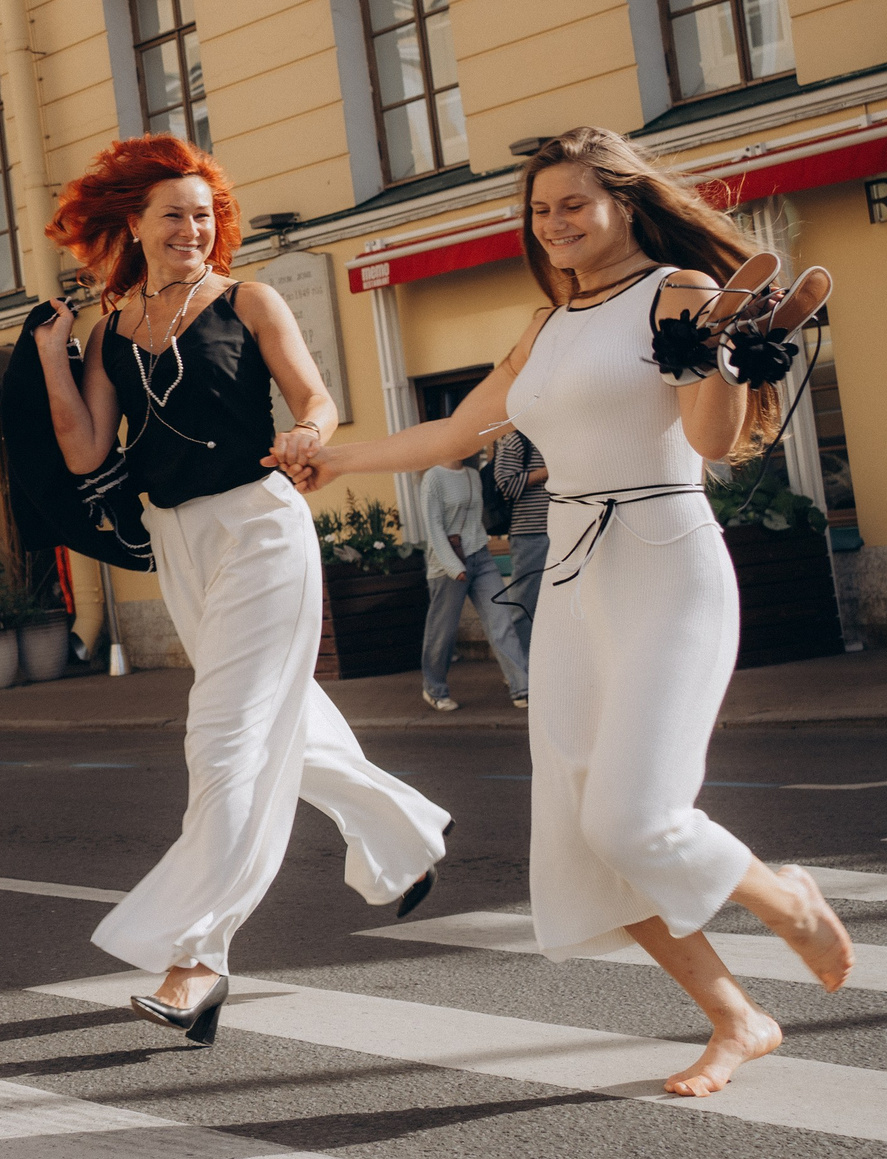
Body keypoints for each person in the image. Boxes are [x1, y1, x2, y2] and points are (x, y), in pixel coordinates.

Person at [273, 125, 852, 1097]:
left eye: (572, 205)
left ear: (624, 201)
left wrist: (717, 362)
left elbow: (708, 441)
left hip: (665, 565)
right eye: (540, 212)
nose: (553, 225)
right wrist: (335, 461)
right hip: (574, 580)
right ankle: (736, 1018)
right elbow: (461, 430)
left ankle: (786, 901)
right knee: (586, 839)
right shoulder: (546, 327)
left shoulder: (677, 292)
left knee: (636, 818)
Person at [32, 134, 452, 1047]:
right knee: (279, 721)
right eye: (173, 214)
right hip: (180, 538)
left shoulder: (248, 300)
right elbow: (83, 450)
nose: (194, 227)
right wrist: (55, 361)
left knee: (223, 737)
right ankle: (406, 839)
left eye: (205, 212)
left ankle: (197, 958)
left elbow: (317, 399)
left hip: (262, 526)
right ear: (134, 227)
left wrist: (308, 431)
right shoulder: (110, 327)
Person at [418, 453, 531, 712]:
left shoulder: (472, 476)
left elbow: (476, 520)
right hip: (448, 564)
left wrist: (480, 552)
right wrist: (454, 566)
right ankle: (434, 689)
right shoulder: (433, 478)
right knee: (443, 633)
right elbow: (434, 527)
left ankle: (521, 687)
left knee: (501, 621)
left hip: (480, 556)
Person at [492, 429, 549, 661]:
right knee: (523, 605)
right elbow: (505, 484)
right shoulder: (517, 439)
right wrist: (548, 471)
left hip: (565, 531)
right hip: (530, 534)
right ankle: (521, 670)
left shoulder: (556, 434)